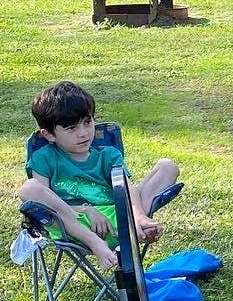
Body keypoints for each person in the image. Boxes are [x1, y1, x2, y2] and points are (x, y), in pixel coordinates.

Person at [20, 81, 180, 271]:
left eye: (87, 122)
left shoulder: (108, 155)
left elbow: (125, 188)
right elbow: (45, 200)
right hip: (72, 224)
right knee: (29, 188)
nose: (84, 133)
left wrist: (137, 215)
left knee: (167, 167)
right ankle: (97, 243)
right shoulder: (44, 158)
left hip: (118, 217)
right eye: (71, 128)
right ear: (49, 135)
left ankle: (137, 224)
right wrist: (88, 211)